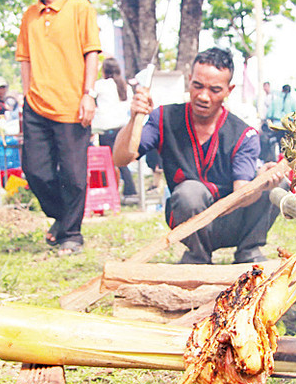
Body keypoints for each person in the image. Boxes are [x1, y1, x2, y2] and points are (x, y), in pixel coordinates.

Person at [112, 47, 284, 264]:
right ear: (189, 80)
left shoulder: (244, 134)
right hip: (189, 221)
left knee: (278, 183)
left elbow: (241, 194)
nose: (203, 96)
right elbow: (120, 159)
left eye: (214, 89)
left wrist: (261, 183)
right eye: (197, 86)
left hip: (232, 222)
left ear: (229, 90)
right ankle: (197, 255)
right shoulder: (164, 118)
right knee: (189, 192)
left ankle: (248, 251)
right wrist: (134, 119)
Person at [16, 0, 101, 255]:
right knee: (34, 170)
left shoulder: (80, 9)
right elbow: (24, 59)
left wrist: (88, 95)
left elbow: (91, 53)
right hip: (36, 105)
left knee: (74, 176)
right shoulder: (29, 15)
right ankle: (63, 218)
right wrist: (27, 95)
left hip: (72, 106)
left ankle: (71, 235)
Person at [91, 57, 137, 203]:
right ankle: (130, 190)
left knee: (108, 163)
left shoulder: (100, 85)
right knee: (121, 161)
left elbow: (90, 97)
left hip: (106, 129)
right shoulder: (124, 86)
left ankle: (111, 191)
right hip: (121, 127)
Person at [261, 84, 296, 162]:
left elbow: (269, 114)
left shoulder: (276, 100)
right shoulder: (293, 101)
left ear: (282, 90)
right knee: (289, 146)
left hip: (277, 126)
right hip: (289, 127)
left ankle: (279, 159)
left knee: (280, 145)